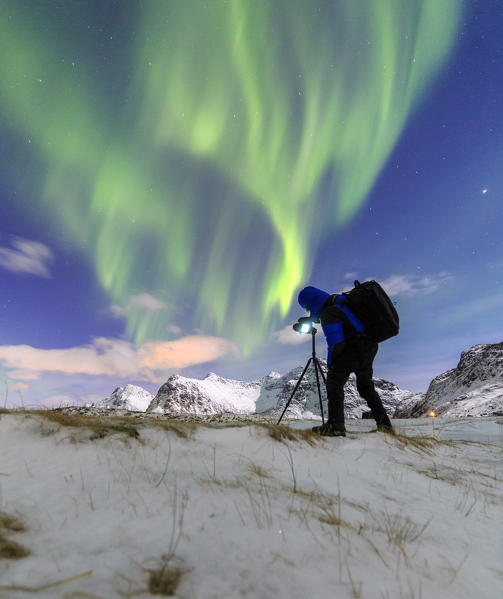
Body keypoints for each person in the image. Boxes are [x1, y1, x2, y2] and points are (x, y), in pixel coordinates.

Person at [298, 285, 394, 437]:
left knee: (334, 381)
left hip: (354, 349)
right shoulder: (339, 302)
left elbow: (336, 343)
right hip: (368, 346)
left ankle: (335, 426)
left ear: (311, 302)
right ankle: (385, 426)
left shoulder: (328, 312)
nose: (308, 311)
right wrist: (311, 320)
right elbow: (345, 322)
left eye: (307, 308)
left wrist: (330, 365)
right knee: (365, 387)